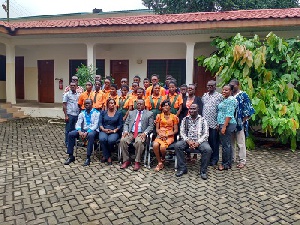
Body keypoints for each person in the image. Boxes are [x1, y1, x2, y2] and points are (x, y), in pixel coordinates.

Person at [175, 104, 212, 180]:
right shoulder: (185, 119)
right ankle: (182, 168)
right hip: (188, 140)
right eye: (190, 109)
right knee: (178, 145)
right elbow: (182, 132)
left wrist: (198, 142)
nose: (191, 110)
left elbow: (206, 134)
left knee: (208, 149)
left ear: (198, 109)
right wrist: (188, 141)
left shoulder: (203, 120)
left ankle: (203, 171)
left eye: (194, 109)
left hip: (200, 141)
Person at [120, 99, 154, 171]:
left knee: (139, 142)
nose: (139, 105)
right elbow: (126, 123)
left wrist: (145, 133)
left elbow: (151, 126)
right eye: (138, 104)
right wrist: (125, 131)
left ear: (144, 105)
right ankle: (126, 160)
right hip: (130, 132)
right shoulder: (131, 113)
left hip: (141, 133)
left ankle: (137, 161)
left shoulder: (149, 114)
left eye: (141, 104)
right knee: (123, 140)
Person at [64, 99, 100, 166]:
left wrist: (88, 132)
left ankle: (88, 157)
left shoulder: (97, 113)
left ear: (92, 104)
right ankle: (70, 156)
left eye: (88, 103)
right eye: (85, 104)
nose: (87, 105)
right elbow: (78, 124)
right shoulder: (82, 113)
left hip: (93, 131)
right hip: (83, 130)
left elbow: (96, 125)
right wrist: (79, 131)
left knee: (91, 135)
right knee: (71, 134)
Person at [229, 79, 255, 169]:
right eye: (230, 85)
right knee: (231, 142)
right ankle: (232, 159)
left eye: (233, 85)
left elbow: (248, 109)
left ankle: (242, 160)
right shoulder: (230, 94)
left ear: (238, 85)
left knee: (240, 143)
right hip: (230, 122)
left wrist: (243, 121)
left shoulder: (243, 95)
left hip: (240, 123)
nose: (232, 87)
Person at [153, 100, 179, 172]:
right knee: (155, 145)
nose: (165, 107)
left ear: (170, 107)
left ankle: (163, 158)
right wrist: (161, 134)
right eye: (163, 105)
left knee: (162, 147)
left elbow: (175, 130)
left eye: (166, 105)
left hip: (169, 135)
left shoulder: (174, 117)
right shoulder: (159, 116)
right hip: (160, 134)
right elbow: (157, 129)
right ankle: (160, 162)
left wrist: (167, 134)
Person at [202, 80, 223, 166]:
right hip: (205, 123)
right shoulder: (205, 96)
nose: (209, 87)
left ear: (215, 86)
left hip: (214, 124)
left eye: (211, 86)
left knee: (214, 142)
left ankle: (214, 159)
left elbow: (221, 110)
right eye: (208, 86)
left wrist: (218, 123)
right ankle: (207, 157)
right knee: (206, 141)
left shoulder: (219, 96)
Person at [179, 84, 203, 162]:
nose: (190, 90)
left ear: (194, 90)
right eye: (188, 88)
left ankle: (195, 154)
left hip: (195, 120)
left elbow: (200, 110)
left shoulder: (198, 99)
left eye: (191, 88)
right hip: (186, 120)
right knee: (186, 135)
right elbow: (182, 110)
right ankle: (188, 154)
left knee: (195, 135)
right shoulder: (184, 98)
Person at [217, 85, 237, 171]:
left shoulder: (231, 100)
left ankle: (225, 164)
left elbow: (229, 114)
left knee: (225, 145)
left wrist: (224, 126)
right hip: (223, 123)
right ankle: (228, 163)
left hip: (227, 124)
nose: (224, 91)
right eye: (223, 90)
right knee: (227, 144)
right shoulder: (225, 99)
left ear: (231, 91)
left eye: (226, 90)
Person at [99, 99, 123, 165]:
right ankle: (108, 156)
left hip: (114, 131)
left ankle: (105, 155)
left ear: (115, 104)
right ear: (107, 104)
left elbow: (120, 124)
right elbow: (100, 123)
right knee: (102, 139)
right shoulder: (103, 112)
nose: (111, 104)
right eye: (110, 103)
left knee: (111, 140)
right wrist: (103, 129)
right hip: (104, 130)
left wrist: (114, 130)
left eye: (112, 103)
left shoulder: (119, 113)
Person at [62, 82, 80, 147]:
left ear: (76, 87)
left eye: (74, 85)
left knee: (75, 129)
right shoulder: (66, 95)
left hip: (77, 115)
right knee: (68, 129)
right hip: (70, 114)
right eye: (71, 85)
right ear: (69, 86)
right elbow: (64, 105)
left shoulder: (79, 95)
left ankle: (74, 142)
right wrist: (66, 115)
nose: (72, 87)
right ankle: (67, 143)